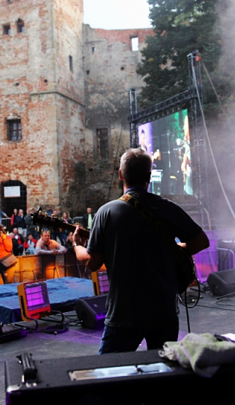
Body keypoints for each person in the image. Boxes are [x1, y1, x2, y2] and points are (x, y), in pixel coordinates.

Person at [72, 148, 209, 354]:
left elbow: (92, 262)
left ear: (120, 175)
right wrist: (179, 247)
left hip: (124, 312)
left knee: (108, 374)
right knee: (164, 373)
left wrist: (77, 246)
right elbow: (201, 241)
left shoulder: (106, 212)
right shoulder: (166, 207)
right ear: (149, 176)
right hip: (163, 311)